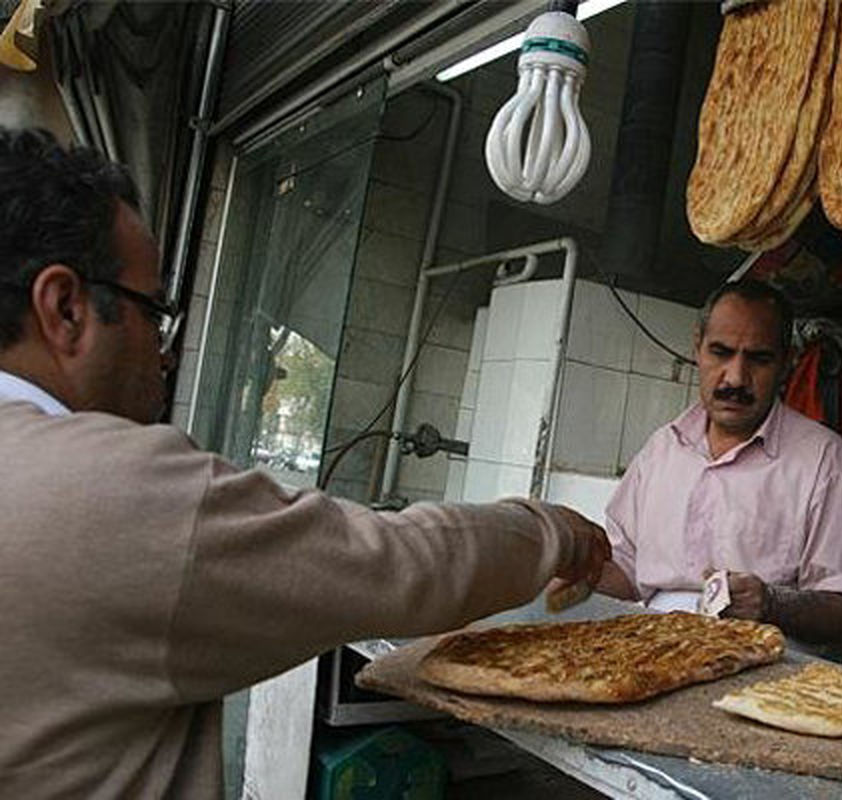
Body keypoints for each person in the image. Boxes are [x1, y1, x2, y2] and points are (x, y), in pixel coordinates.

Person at [0, 127, 610, 798]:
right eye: (155, 314)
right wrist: (551, 529)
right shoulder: (104, 489)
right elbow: (395, 563)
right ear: (65, 309)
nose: (165, 351)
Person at [597, 279, 842, 646]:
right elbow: (625, 567)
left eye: (759, 358)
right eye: (721, 352)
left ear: (788, 363)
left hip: (765, 670)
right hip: (653, 649)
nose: (736, 378)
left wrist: (773, 604)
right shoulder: (662, 448)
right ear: (697, 348)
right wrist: (569, 567)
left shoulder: (824, 460)